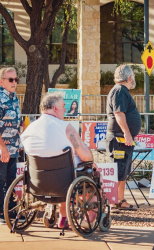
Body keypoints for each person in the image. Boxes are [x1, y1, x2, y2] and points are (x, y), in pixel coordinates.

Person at [21, 92, 98, 228]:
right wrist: (91, 160)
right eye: (63, 106)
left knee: (63, 173)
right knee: (94, 174)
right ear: (55, 108)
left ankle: (62, 217)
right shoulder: (65, 127)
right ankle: (90, 218)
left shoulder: (29, 130)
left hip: (38, 183)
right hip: (65, 181)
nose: (65, 109)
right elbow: (86, 156)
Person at [106, 65, 141, 210]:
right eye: (133, 76)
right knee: (118, 169)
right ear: (129, 77)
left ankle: (120, 199)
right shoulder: (119, 91)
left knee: (123, 170)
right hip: (119, 138)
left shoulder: (121, 91)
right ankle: (114, 201)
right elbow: (119, 113)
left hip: (123, 139)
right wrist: (127, 133)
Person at [0, 67, 21, 224]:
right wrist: (3, 148)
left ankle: (10, 211)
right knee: (1, 180)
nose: (14, 82)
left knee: (11, 180)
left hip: (14, 149)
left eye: (16, 79)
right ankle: (1, 212)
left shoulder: (15, 98)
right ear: (1, 82)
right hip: (2, 150)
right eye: (11, 80)